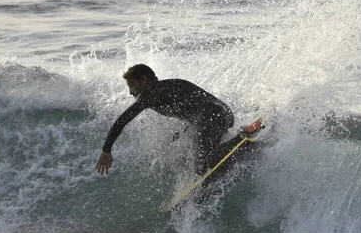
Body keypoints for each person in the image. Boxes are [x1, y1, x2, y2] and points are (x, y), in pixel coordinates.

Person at [95, 64, 260, 175]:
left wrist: (106, 150)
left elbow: (121, 121)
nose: (131, 92)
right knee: (202, 153)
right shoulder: (168, 86)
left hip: (210, 116)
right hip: (223, 113)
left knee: (202, 167)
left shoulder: (148, 95)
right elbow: (194, 110)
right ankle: (242, 143)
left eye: (132, 84)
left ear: (144, 80)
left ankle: (242, 137)